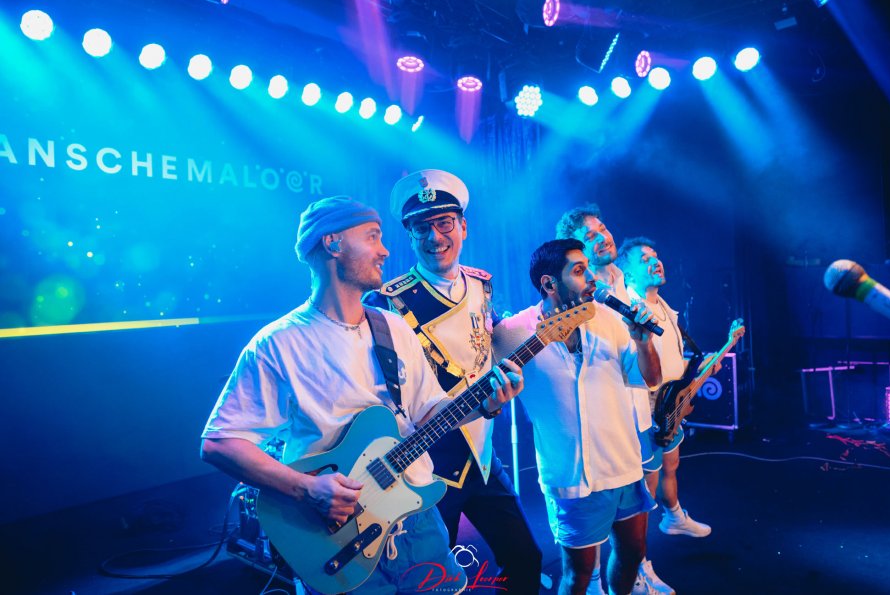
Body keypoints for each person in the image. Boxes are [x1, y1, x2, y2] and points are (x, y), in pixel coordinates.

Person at [200, 195, 524, 594]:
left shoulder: (393, 327)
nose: (385, 250)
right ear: (333, 242)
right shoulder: (278, 343)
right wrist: (307, 489)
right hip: (338, 536)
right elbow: (219, 443)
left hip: (417, 521)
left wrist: (484, 405)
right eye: (372, 236)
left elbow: (428, 411)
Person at [364, 170, 543, 593]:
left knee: (525, 558)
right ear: (409, 235)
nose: (435, 237)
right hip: (423, 462)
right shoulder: (386, 302)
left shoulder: (482, 285)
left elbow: (483, 350)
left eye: (444, 223)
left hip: (481, 452)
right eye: (421, 227)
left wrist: (504, 388)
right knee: (429, 581)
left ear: (463, 226)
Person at [493, 238, 663, 595]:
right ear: (549, 283)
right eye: (579, 270)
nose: (592, 279)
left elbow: (650, 379)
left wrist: (644, 341)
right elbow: (486, 390)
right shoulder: (513, 333)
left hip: (624, 463)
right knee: (579, 573)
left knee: (633, 553)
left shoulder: (609, 318)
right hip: (571, 475)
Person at [555, 205, 673, 595]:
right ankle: (593, 581)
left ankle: (639, 571)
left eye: (602, 228)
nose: (602, 237)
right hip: (602, 430)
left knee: (636, 521)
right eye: (589, 236)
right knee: (591, 534)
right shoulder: (579, 298)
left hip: (638, 417)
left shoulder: (623, 283)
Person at [616, 236, 714, 541]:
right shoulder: (628, 311)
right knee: (648, 483)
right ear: (628, 274)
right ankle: (636, 555)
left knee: (672, 464)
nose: (655, 262)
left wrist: (700, 369)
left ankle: (674, 517)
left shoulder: (665, 309)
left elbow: (671, 359)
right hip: (645, 414)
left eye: (655, 256)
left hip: (670, 408)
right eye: (644, 259)